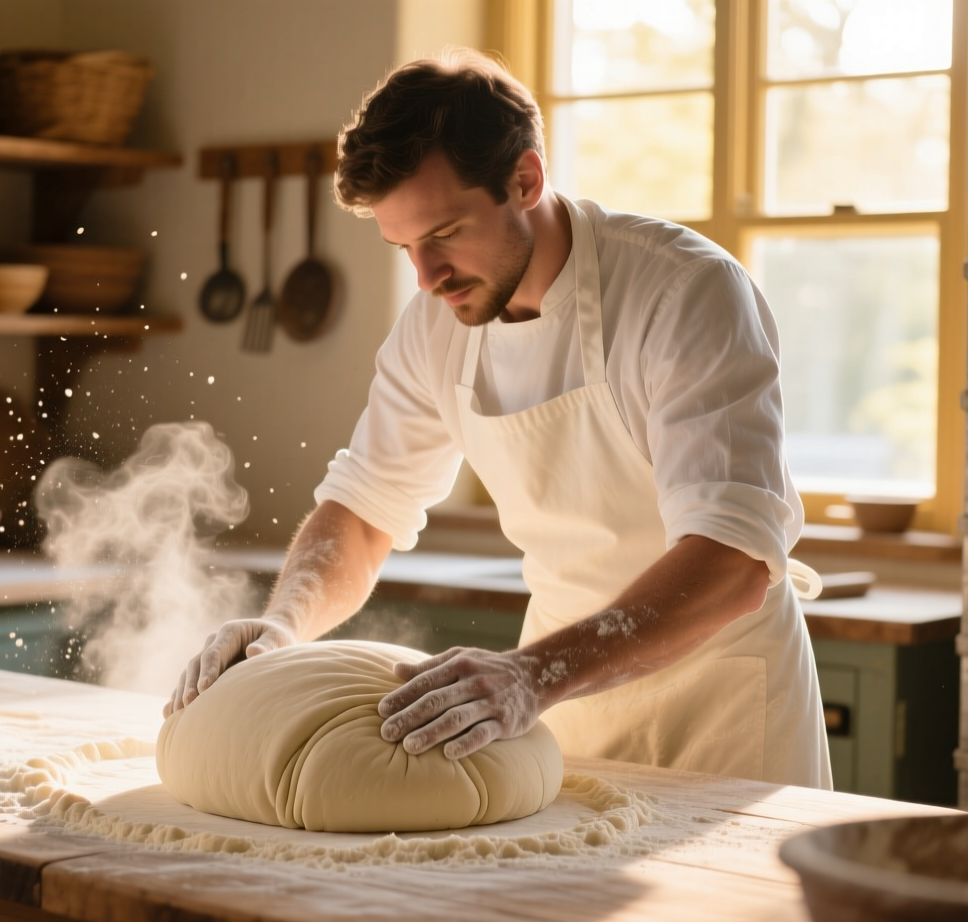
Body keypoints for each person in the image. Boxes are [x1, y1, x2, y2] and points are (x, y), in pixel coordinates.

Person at [167, 49, 831, 789]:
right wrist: (284, 627)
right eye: (404, 247)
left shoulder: (686, 293)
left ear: (526, 180)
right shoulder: (434, 325)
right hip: (556, 700)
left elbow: (732, 562)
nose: (426, 276)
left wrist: (533, 674)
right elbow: (362, 510)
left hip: (722, 707)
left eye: (444, 232)